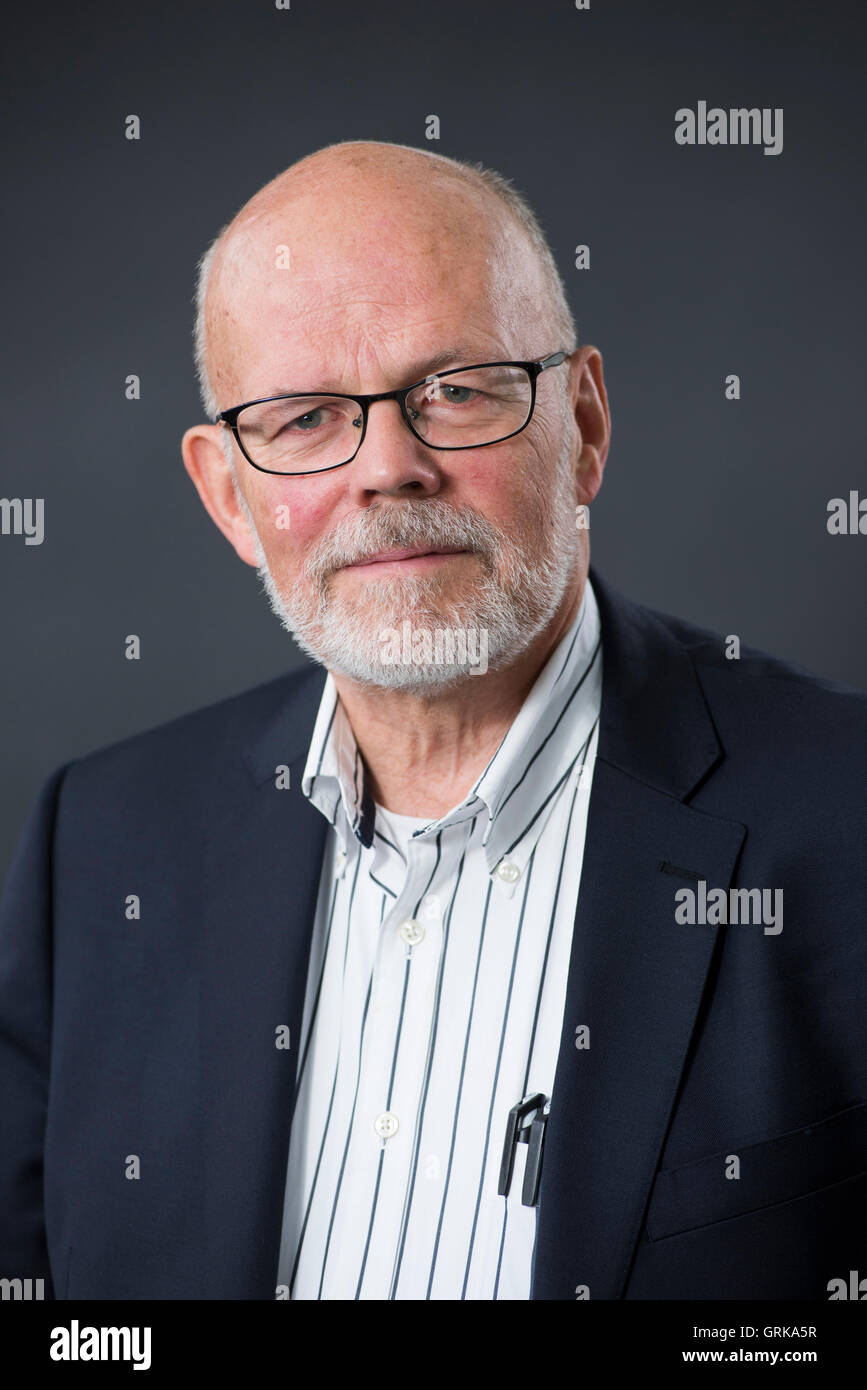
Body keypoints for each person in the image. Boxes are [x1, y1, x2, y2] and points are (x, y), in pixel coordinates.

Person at [1, 141, 865, 1301]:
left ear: (586, 425)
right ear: (229, 497)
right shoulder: (100, 840)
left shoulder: (844, 817)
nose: (390, 467)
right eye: (305, 417)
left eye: (455, 390)